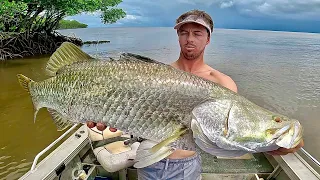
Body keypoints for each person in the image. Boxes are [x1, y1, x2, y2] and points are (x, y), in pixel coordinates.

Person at [136, 9, 304, 180]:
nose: (190, 39)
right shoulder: (156, 76)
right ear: (178, 36)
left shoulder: (222, 83)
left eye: (197, 33)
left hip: (186, 167)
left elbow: (232, 131)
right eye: (184, 33)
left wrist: (277, 140)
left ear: (208, 39)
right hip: (148, 161)